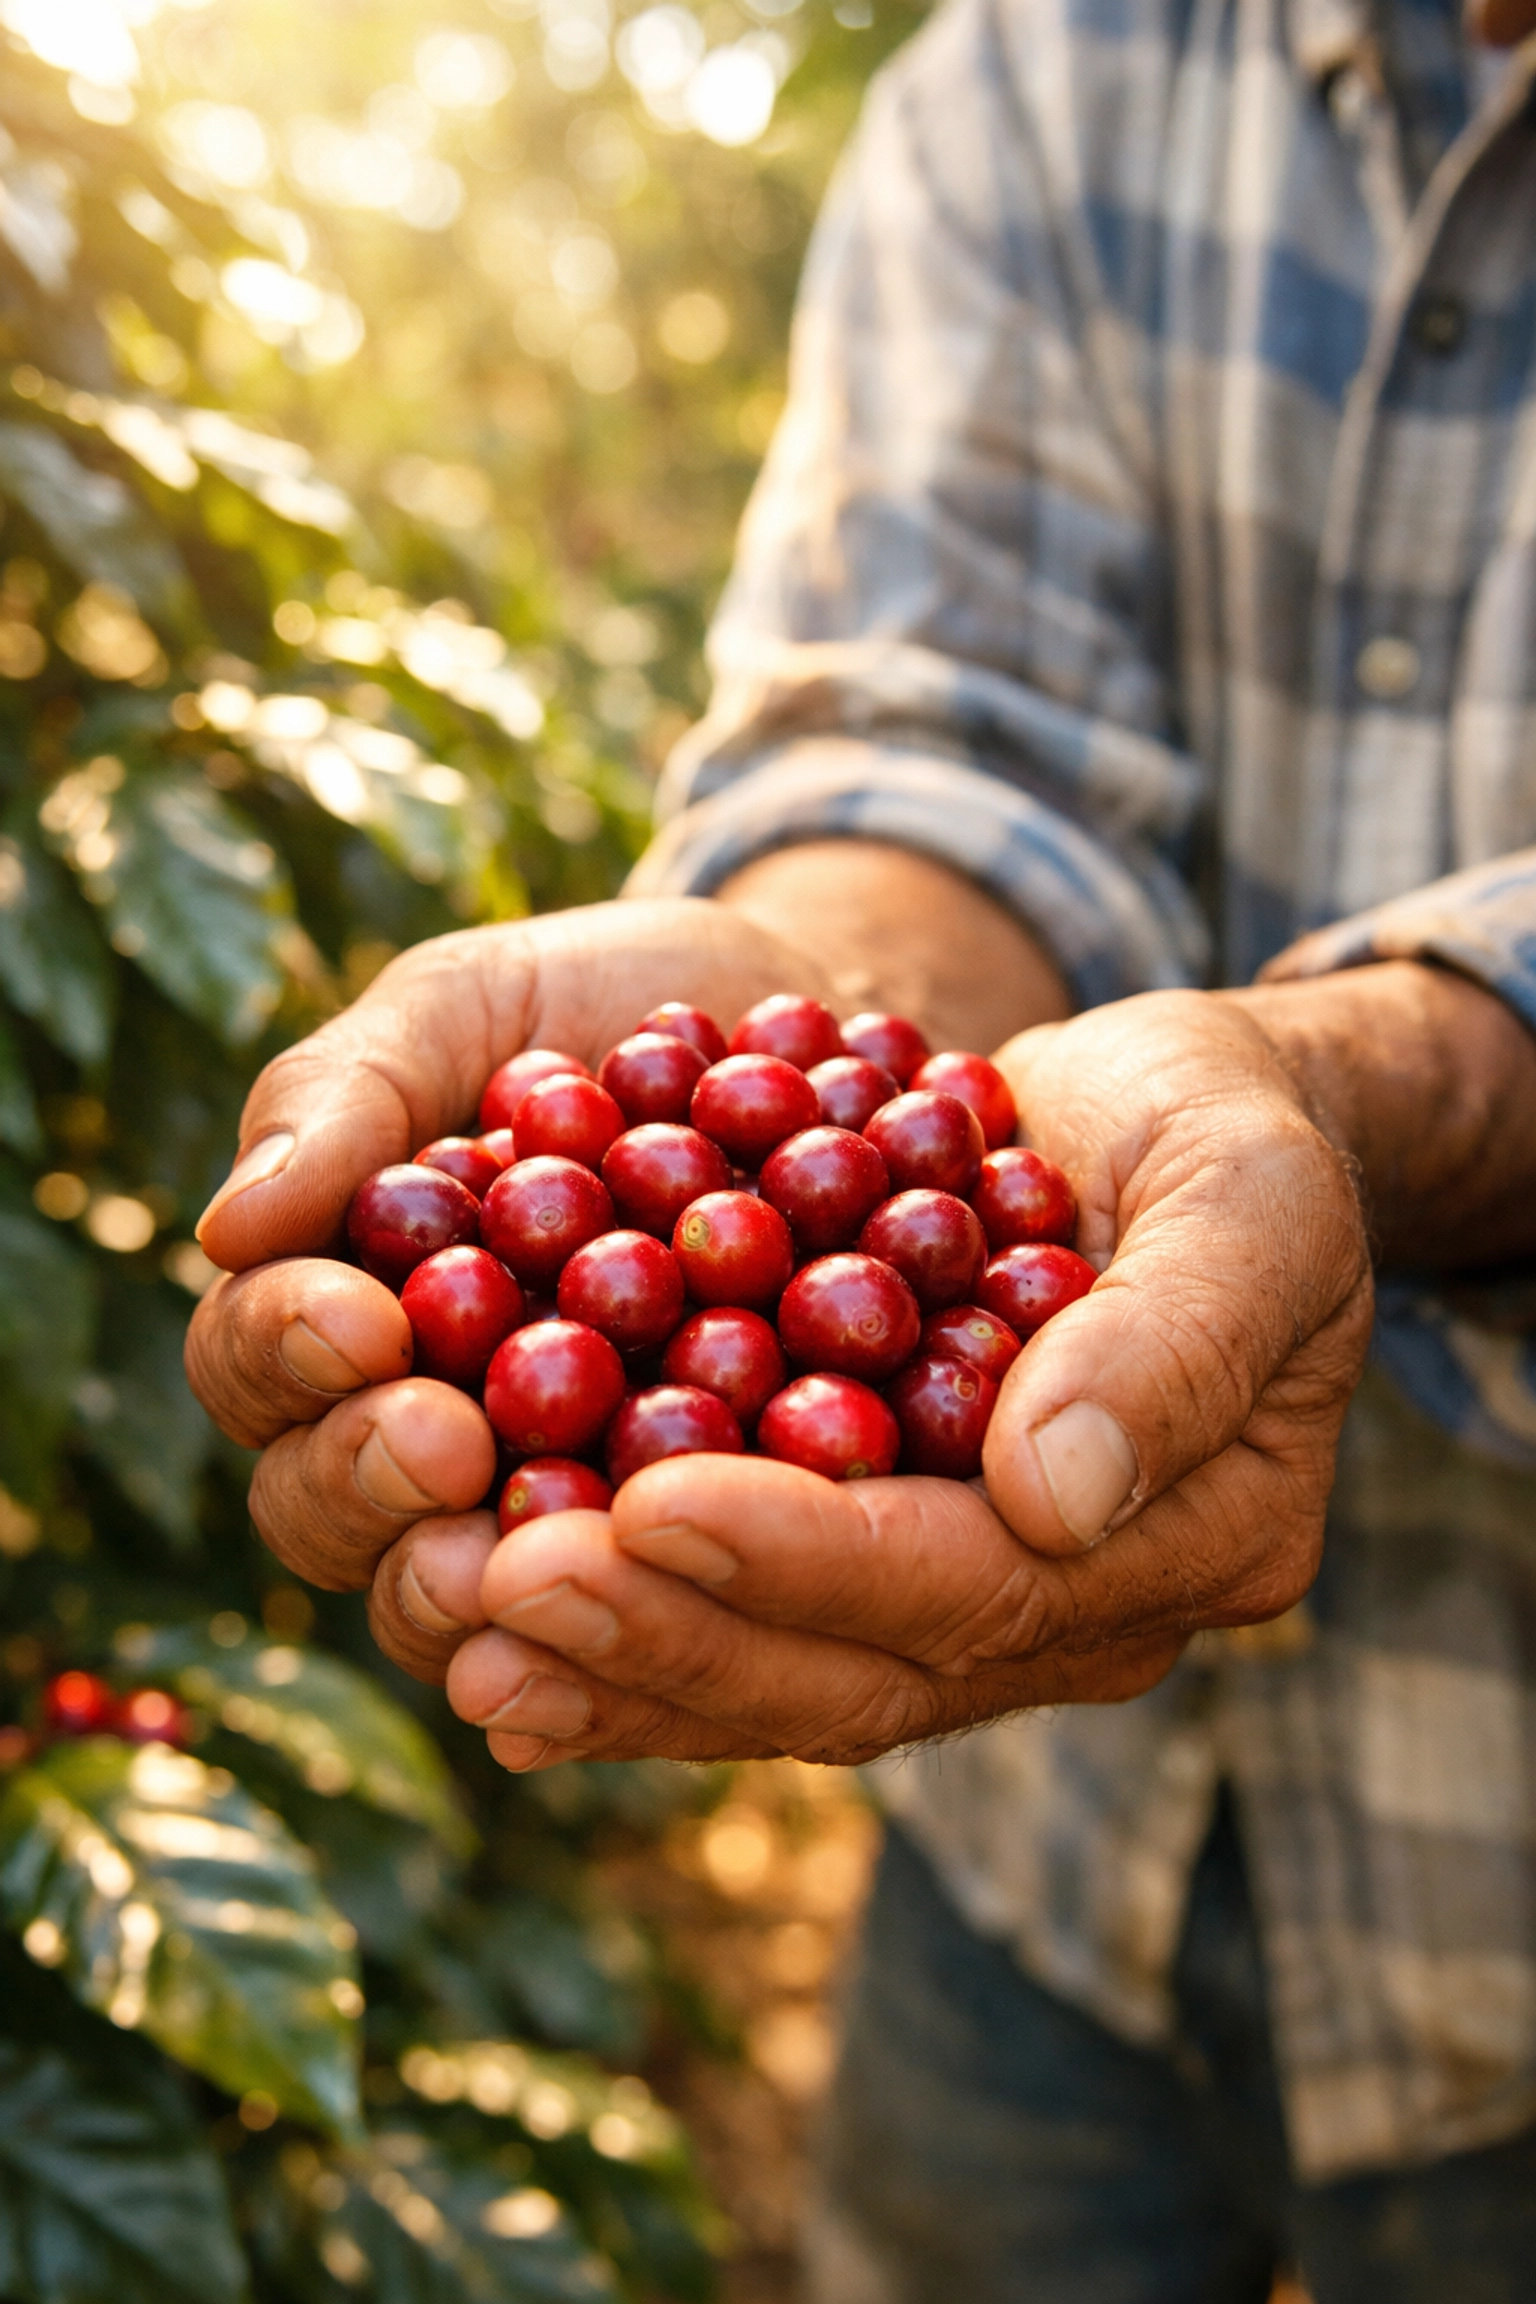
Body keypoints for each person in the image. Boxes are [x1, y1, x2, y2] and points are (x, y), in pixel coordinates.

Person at [186, 0, 1536, 2287]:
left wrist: (1342, 1092)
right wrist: (823, 986)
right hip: (1038, 1881)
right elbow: (947, 754)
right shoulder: (1041, 76)